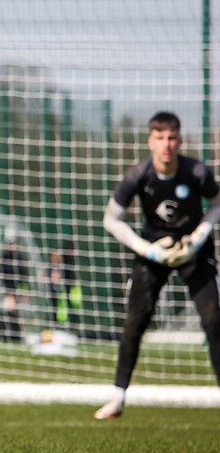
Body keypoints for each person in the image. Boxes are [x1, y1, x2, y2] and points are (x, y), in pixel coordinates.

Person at [94, 111, 220, 419]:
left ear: (180, 140)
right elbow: (111, 220)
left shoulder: (197, 172)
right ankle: (117, 397)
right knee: (135, 321)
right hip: (154, 252)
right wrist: (147, 250)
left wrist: (198, 237)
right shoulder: (138, 176)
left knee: (213, 319)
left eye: (172, 137)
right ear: (150, 141)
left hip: (193, 251)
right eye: (160, 137)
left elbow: (218, 203)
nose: (166, 144)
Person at [0, 236, 28, 343]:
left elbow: (24, 275)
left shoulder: (19, 257)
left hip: (16, 289)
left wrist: (24, 290)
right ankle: (8, 333)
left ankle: (15, 334)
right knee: (8, 310)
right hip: (6, 289)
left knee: (12, 311)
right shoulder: (4, 257)